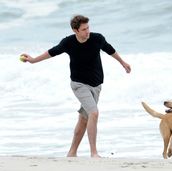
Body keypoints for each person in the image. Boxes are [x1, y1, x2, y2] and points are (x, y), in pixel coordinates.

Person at [21, 14, 131, 158]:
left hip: (96, 85)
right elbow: (52, 52)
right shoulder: (68, 42)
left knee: (84, 118)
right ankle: (94, 153)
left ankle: (72, 153)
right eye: (84, 29)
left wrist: (123, 63)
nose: (88, 31)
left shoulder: (97, 38)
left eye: (88, 28)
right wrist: (33, 60)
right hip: (79, 84)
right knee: (94, 113)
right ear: (75, 30)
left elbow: (110, 49)